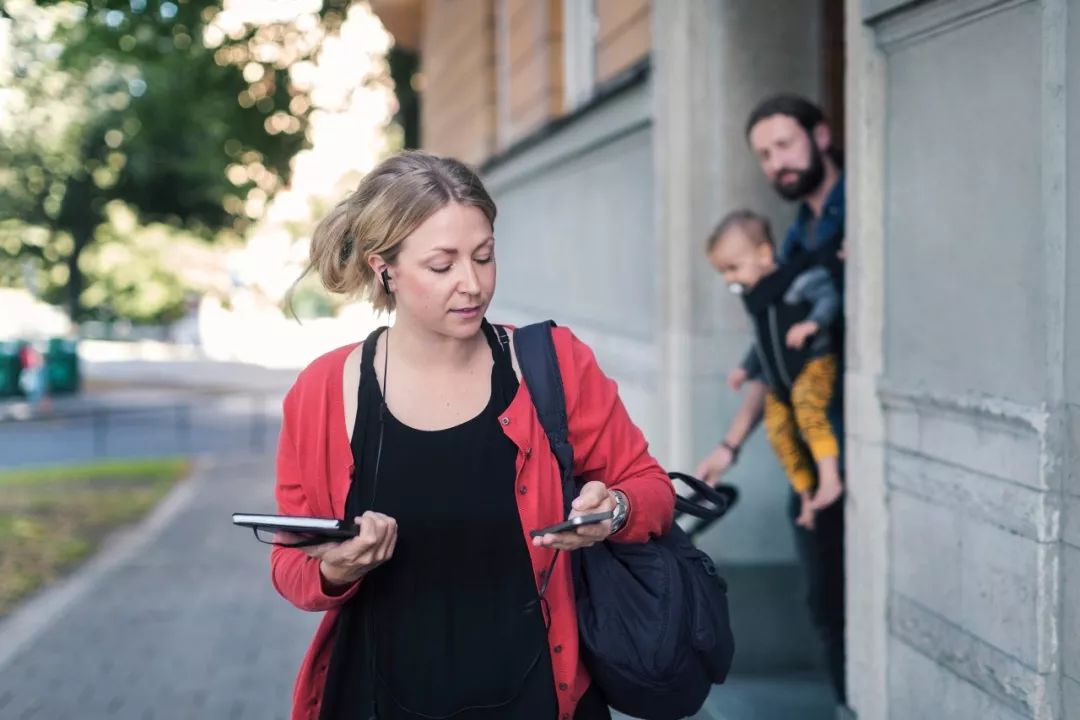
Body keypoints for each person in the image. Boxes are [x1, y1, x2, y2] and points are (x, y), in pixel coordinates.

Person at [270, 150, 675, 720]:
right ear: (383, 266)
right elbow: (291, 564)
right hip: (374, 699)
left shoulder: (552, 364)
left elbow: (651, 487)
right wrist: (336, 569)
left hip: (540, 697)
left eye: (484, 256)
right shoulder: (323, 390)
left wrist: (614, 511)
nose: (472, 283)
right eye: (442, 265)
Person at [695, 94, 847, 705]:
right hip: (813, 443)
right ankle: (846, 702)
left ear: (822, 135)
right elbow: (772, 360)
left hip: (848, 437)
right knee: (826, 604)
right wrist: (728, 446)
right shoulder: (790, 243)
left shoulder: (852, 218)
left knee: (838, 601)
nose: (776, 162)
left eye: (785, 144)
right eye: (764, 154)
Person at [705, 209, 841, 530]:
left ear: (764, 255)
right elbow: (764, 344)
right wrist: (746, 368)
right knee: (779, 430)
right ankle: (807, 494)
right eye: (723, 272)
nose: (729, 279)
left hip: (814, 364)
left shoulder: (794, 283)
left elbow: (828, 297)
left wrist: (812, 323)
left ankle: (830, 476)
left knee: (809, 410)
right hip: (783, 382)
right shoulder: (759, 301)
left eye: (733, 268)